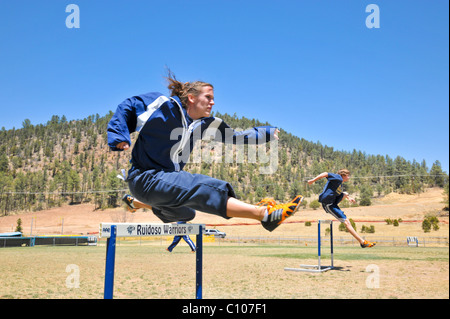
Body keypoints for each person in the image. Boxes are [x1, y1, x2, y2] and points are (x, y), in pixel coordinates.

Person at [108, 70, 302, 232]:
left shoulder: (206, 124)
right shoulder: (164, 106)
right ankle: (264, 214)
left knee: (186, 212)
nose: (213, 102)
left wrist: (265, 133)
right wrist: (119, 136)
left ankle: (136, 203)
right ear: (191, 98)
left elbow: (236, 136)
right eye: (208, 97)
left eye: (213, 99)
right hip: (144, 177)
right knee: (198, 186)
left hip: (162, 184)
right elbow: (129, 107)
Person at [307, 169, 376, 248]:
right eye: (347, 175)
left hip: (333, 202)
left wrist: (348, 198)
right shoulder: (338, 177)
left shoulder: (340, 184)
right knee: (346, 222)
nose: (349, 177)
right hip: (328, 204)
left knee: (345, 193)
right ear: (343, 175)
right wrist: (313, 180)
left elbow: (341, 194)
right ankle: (362, 242)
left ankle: (362, 242)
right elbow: (325, 173)